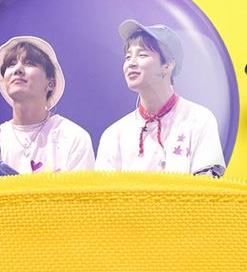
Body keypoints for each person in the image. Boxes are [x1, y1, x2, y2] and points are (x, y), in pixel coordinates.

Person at [95, 20, 226, 176]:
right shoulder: (114, 134)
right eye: (128, 57)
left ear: (167, 66)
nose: (131, 63)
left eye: (142, 55)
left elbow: (207, 185)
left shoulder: (199, 119)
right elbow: (103, 190)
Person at [0, 36, 95, 179]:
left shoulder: (74, 138)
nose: (17, 69)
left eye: (29, 63)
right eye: (11, 64)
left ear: (51, 83)